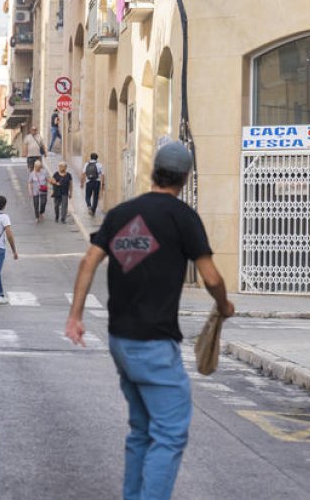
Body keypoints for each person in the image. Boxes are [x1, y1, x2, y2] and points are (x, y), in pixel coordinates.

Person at [65, 142, 234, 500]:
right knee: (170, 432)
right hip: (154, 343)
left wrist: (75, 316)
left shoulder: (121, 213)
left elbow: (88, 261)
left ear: (154, 171)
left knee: (141, 431)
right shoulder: (183, 217)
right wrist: (224, 304)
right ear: (185, 178)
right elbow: (211, 277)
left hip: (120, 341)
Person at [81, 152, 106, 216]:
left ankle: (89, 206)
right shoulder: (99, 165)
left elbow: (83, 173)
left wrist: (82, 183)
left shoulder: (86, 164)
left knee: (87, 196)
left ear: (90, 157)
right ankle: (93, 211)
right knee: (96, 197)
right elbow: (103, 175)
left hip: (88, 182)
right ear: (97, 158)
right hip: (97, 182)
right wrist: (103, 184)